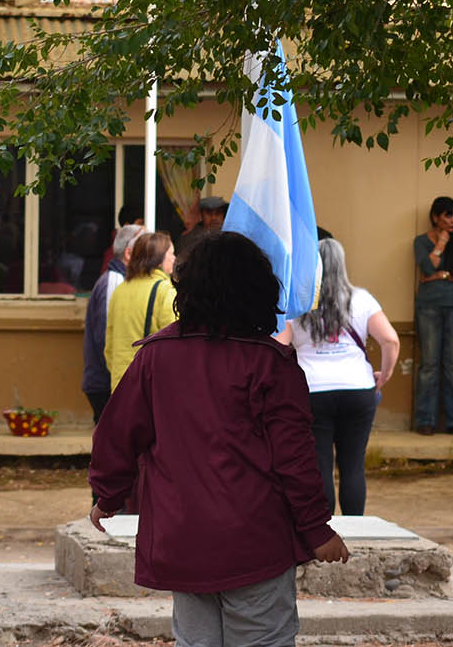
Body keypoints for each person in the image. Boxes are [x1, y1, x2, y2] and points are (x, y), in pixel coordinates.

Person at [89, 231, 350, 647]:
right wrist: (316, 529)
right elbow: (295, 460)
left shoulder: (155, 357)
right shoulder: (271, 364)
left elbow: (117, 435)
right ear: (259, 290)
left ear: (187, 289)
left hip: (183, 539)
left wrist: (107, 494)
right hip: (255, 543)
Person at [277, 237, 401, 516]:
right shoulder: (362, 299)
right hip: (357, 388)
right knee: (353, 465)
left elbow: (278, 347)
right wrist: (386, 373)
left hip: (310, 391)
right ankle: (355, 529)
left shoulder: (298, 302)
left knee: (319, 464)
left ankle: (326, 531)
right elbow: (391, 340)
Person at [412, 195, 453, 435]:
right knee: (429, 364)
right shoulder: (420, 242)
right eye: (448, 215)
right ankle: (425, 420)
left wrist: (441, 275)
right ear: (436, 217)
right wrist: (440, 245)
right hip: (428, 306)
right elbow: (426, 268)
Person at [82, 223, 145, 422]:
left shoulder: (122, 281)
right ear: (128, 254)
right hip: (107, 384)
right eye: (144, 247)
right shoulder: (115, 282)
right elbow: (106, 340)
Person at [104, 231, 178, 392]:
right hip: (151, 388)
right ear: (158, 259)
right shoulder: (165, 291)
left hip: (120, 385)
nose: (174, 258)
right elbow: (174, 345)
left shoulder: (120, 290)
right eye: (171, 253)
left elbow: (109, 347)